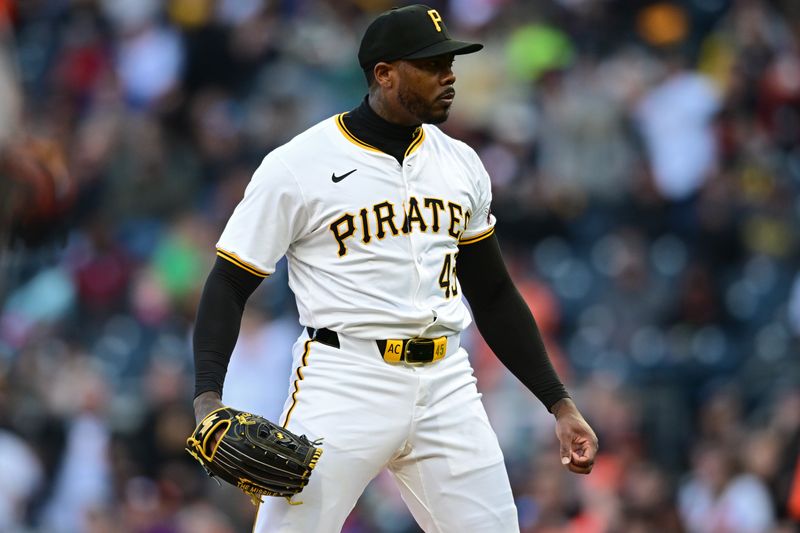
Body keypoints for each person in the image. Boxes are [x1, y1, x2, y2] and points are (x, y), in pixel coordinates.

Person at [191, 5, 598, 532]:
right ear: (384, 74)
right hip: (345, 378)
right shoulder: (298, 165)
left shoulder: (461, 164)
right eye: (430, 65)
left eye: (450, 63)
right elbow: (228, 281)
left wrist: (559, 404)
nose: (449, 75)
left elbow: (494, 293)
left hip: (447, 381)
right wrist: (207, 400)